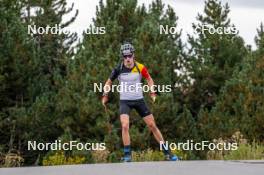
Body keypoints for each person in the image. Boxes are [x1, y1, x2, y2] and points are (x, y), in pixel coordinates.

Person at [101, 42, 179, 162]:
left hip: (139, 100)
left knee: (152, 125)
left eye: (129, 56)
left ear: (133, 55)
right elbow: (108, 82)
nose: (127, 59)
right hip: (125, 101)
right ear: (123, 57)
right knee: (125, 125)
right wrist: (105, 94)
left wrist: (152, 92)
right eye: (125, 56)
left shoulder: (140, 67)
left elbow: (149, 79)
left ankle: (167, 152)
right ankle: (127, 155)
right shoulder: (118, 69)